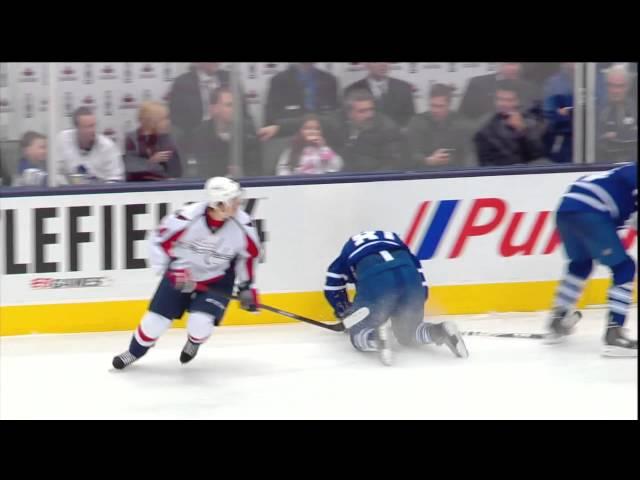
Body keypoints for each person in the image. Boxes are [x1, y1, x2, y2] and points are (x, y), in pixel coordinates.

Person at [112, 177, 262, 369]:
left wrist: (247, 286)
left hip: (217, 280)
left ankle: (194, 342)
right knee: (153, 323)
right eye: (233, 200)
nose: (238, 204)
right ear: (218, 204)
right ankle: (134, 352)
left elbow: (249, 256)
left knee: (199, 325)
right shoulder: (186, 218)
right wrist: (173, 270)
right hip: (181, 275)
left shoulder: (243, 225)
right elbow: (158, 240)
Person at [324, 230, 469, 366]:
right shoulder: (398, 244)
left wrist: (344, 311)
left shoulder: (347, 253)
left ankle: (376, 336)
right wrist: (410, 308)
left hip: (376, 279)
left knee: (358, 333)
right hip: (410, 277)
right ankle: (440, 330)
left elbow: (332, 284)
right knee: (408, 334)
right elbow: (419, 275)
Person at [546, 162, 637, 357]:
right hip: (591, 211)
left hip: (566, 209)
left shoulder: (619, 172)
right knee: (625, 268)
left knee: (581, 263)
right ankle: (615, 334)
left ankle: (559, 319)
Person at [323, 89, 406, 173]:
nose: (369, 115)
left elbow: (392, 165)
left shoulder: (388, 129)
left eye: (371, 109)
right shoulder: (335, 125)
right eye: (362, 111)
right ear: (349, 114)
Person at [192, 87, 261, 177]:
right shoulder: (201, 133)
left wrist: (243, 175)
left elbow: (255, 168)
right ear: (214, 109)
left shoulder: (248, 129)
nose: (235, 109)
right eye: (229, 105)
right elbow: (204, 171)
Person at [259, 63, 339, 141]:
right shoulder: (278, 81)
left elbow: (335, 121)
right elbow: (271, 123)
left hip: (323, 143)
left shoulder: (329, 80)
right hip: (288, 142)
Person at [473, 80, 546, 166]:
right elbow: (485, 163)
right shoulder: (485, 129)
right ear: (495, 101)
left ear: (517, 101)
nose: (504, 104)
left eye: (509, 100)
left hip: (531, 174)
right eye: (501, 99)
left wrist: (522, 130)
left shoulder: (532, 121)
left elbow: (539, 155)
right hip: (502, 175)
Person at [406, 83, 471, 169]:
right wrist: (428, 161)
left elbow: (469, 154)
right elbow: (410, 155)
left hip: (454, 174)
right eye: (432, 105)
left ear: (449, 105)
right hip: (425, 174)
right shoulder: (417, 122)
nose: (435, 110)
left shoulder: (461, 123)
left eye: (440, 106)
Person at [56, 107, 124, 183]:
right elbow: (55, 172)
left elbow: (115, 179)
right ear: (77, 128)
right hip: (68, 192)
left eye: (94, 125)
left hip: (99, 192)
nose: (93, 130)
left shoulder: (107, 146)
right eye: (88, 127)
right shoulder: (62, 140)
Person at [459, 62, 539, 123]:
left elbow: (535, 117)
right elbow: (463, 115)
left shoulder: (531, 88)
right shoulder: (477, 83)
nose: (513, 68)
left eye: (515, 63)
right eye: (508, 63)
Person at [344, 63, 415, 129]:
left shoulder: (404, 88)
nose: (382, 64)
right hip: (365, 139)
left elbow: (410, 120)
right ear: (366, 64)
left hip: (395, 139)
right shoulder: (352, 90)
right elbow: (349, 121)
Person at [123, 101, 182, 181]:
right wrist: (152, 161)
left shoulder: (166, 138)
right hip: (138, 187)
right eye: (164, 119)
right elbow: (131, 169)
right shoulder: (131, 139)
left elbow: (175, 170)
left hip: (164, 186)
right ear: (151, 121)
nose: (168, 122)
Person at [596, 65, 638, 164]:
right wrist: (601, 139)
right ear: (605, 85)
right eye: (611, 85)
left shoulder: (635, 109)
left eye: (620, 86)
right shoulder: (595, 110)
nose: (615, 91)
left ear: (628, 86)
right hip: (601, 166)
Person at [275, 114, 342, 175]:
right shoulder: (291, 150)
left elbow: (337, 166)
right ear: (300, 131)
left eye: (317, 129)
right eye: (307, 128)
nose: (312, 132)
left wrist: (323, 148)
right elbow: (282, 170)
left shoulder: (324, 150)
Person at [542, 63, 574, 163]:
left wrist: (569, 112)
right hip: (562, 141)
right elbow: (548, 114)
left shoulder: (594, 79)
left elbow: (598, 109)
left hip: (591, 142)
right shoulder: (553, 84)